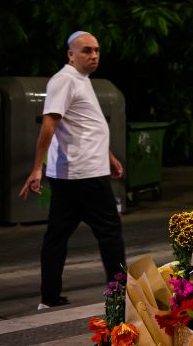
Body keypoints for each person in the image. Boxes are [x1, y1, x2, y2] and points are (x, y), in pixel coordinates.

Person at [20, 30, 125, 310]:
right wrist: (36, 169)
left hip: (78, 172)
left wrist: (110, 156)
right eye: (86, 51)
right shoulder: (64, 80)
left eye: (96, 50)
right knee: (110, 232)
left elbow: (84, 127)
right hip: (85, 174)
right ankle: (119, 293)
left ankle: (49, 297)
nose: (93, 56)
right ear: (71, 54)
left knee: (57, 236)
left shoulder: (81, 80)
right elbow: (49, 124)